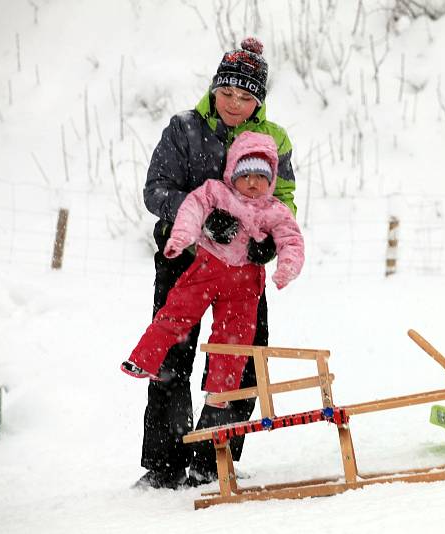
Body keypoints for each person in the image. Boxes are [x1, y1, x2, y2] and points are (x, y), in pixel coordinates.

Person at [138, 37, 297, 489]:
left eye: (246, 98)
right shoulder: (183, 128)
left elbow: (284, 200)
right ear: (213, 88)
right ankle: (165, 467)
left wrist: (267, 239)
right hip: (183, 260)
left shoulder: (274, 139)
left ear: (259, 102)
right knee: (171, 356)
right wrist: (206, 219)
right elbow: (156, 191)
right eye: (227, 93)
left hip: (243, 269)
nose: (233, 103)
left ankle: (213, 459)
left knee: (241, 357)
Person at [123, 132, 304, 398]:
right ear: (232, 173)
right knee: (177, 312)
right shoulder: (216, 193)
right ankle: (144, 358)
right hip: (208, 269)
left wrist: (286, 266)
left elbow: (292, 239)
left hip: (246, 282)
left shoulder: (276, 211)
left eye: (261, 177)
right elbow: (192, 210)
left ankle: (221, 390)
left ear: (272, 179)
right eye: (245, 175)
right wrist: (181, 237)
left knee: (235, 336)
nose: (252, 183)